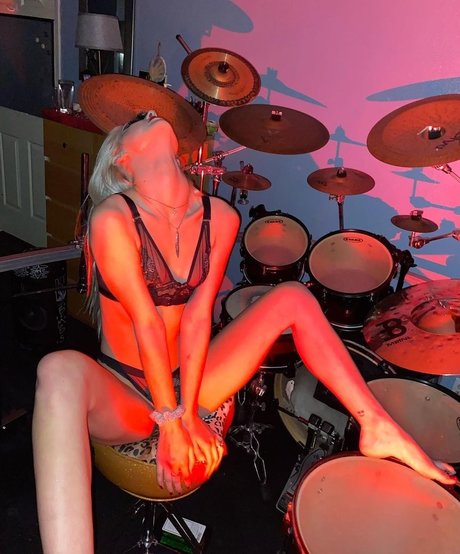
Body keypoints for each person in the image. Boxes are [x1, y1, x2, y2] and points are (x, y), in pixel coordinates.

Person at [32, 109, 456, 554]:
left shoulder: (220, 215)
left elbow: (198, 317)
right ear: (122, 160)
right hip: (127, 390)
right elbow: (147, 322)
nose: (152, 111)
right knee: (58, 371)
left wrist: (190, 413)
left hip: (192, 379)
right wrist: (172, 422)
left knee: (293, 296)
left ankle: (378, 426)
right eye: (138, 117)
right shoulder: (112, 218)